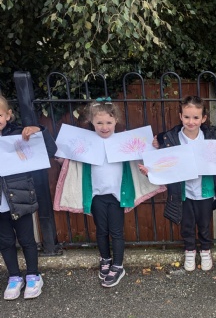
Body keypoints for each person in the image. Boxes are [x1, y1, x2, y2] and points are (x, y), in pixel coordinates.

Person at [54, 98, 165, 288]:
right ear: (91, 121)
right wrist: (62, 157)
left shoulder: (124, 142)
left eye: (108, 122)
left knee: (116, 232)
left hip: (116, 196)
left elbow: (144, 155)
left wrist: (153, 147)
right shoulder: (85, 142)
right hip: (96, 196)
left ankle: (118, 266)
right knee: (101, 231)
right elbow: (68, 162)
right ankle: (105, 259)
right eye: (99, 122)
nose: (104, 127)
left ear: (116, 121)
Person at [139, 95, 216, 272]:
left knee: (204, 224)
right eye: (187, 117)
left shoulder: (210, 137)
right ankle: (190, 251)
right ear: (180, 116)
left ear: (203, 119)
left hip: (205, 190)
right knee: (187, 225)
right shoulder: (170, 139)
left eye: (196, 117)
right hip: (183, 192)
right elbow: (162, 162)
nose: (191, 121)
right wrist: (150, 171)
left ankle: (205, 251)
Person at [1, 94, 57, 300]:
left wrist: (39, 131)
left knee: (27, 239)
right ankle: (14, 277)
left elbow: (51, 150)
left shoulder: (19, 134)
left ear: (8, 115)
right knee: (5, 241)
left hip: (20, 199)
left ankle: (33, 275)